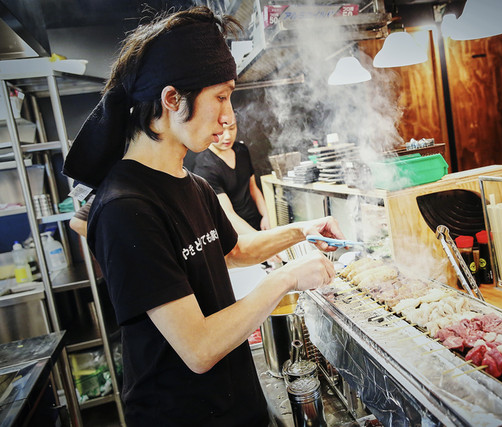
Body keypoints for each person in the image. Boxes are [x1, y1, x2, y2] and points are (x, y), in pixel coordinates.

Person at [62, 7, 344, 426]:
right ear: (172, 99)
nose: (228, 116)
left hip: (235, 403)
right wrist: (286, 278)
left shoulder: (192, 184)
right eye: (221, 96)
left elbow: (236, 250)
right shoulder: (125, 207)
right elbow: (198, 348)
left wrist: (302, 231)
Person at [193, 121, 270, 234]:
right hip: (234, 231)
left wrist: (266, 215)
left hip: (256, 222)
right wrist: (259, 238)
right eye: (221, 131)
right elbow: (228, 213)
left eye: (232, 128)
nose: (228, 136)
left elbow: (253, 187)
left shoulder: (241, 150)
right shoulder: (205, 167)